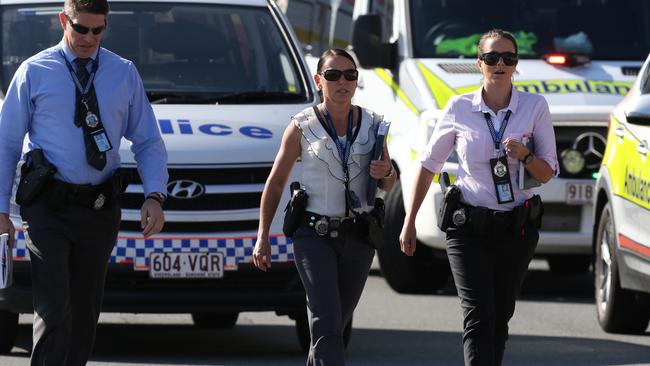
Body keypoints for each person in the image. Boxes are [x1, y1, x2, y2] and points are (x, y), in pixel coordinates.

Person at [0, 0, 168, 364]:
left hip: (98, 209)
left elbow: (148, 141)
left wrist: (155, 195)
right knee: (54, 303)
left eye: (98, 30)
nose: (89, 38)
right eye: (81, 28)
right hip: (47, 208)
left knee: (85, 310)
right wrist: (0, 210)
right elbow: (7, 143)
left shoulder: (122, 73)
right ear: (64, 20)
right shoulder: (35, 71)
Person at [400, 29, 558, 366]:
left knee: (499, 316)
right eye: (491, 58)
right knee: (478, 315)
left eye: (508, 58)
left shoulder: (535, 106)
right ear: (479, 63)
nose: (500, 64)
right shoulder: (459, 107)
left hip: (516, 228)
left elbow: (546, 174)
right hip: (468, 226)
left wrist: (526, 155)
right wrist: (409, 221)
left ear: (516, 65)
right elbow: (429, 165)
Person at [253, 48, 395, 365]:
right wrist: (262, 235)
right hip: (314, 236)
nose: (342, 82)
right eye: (333, 75)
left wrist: (386, 172)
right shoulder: (301, 126)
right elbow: (276, 182)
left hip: (359, 237)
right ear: (319, 80)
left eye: (350, 75)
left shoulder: (373, 125)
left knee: (333, 326)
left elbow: (388, 183)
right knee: (326, 321)